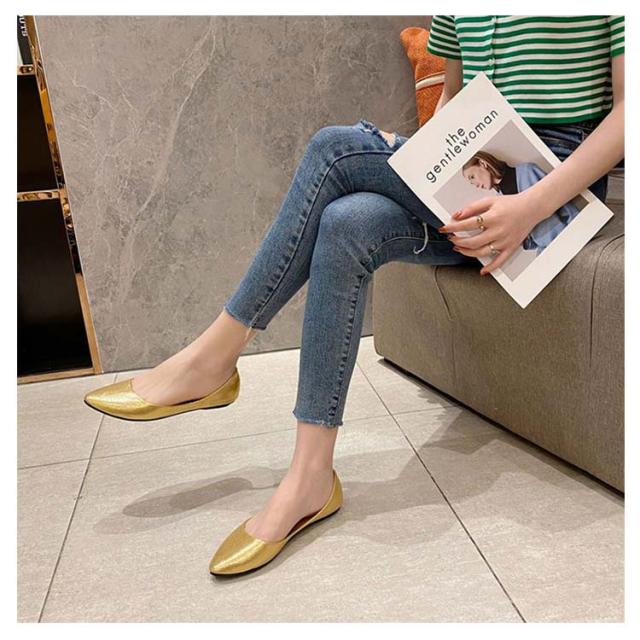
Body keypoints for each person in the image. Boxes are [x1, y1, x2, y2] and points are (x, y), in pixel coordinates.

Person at [83, 15, 624, 575]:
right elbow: (455, 100)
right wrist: (429, 170)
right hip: (472, 166)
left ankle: (214, 358)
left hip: (555, 183)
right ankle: (310, 478)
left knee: (334, 149)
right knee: (347, 222)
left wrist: (528, 207)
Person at [462, 152, 581, 255]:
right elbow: (530, 239)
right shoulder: (499, 202)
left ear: (483, 163)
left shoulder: (527, 171)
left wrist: (578, 230)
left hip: (571, 237)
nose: (475, 184)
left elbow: (563, 201)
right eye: (471, 183)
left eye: (472, 177)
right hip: (547, 252)